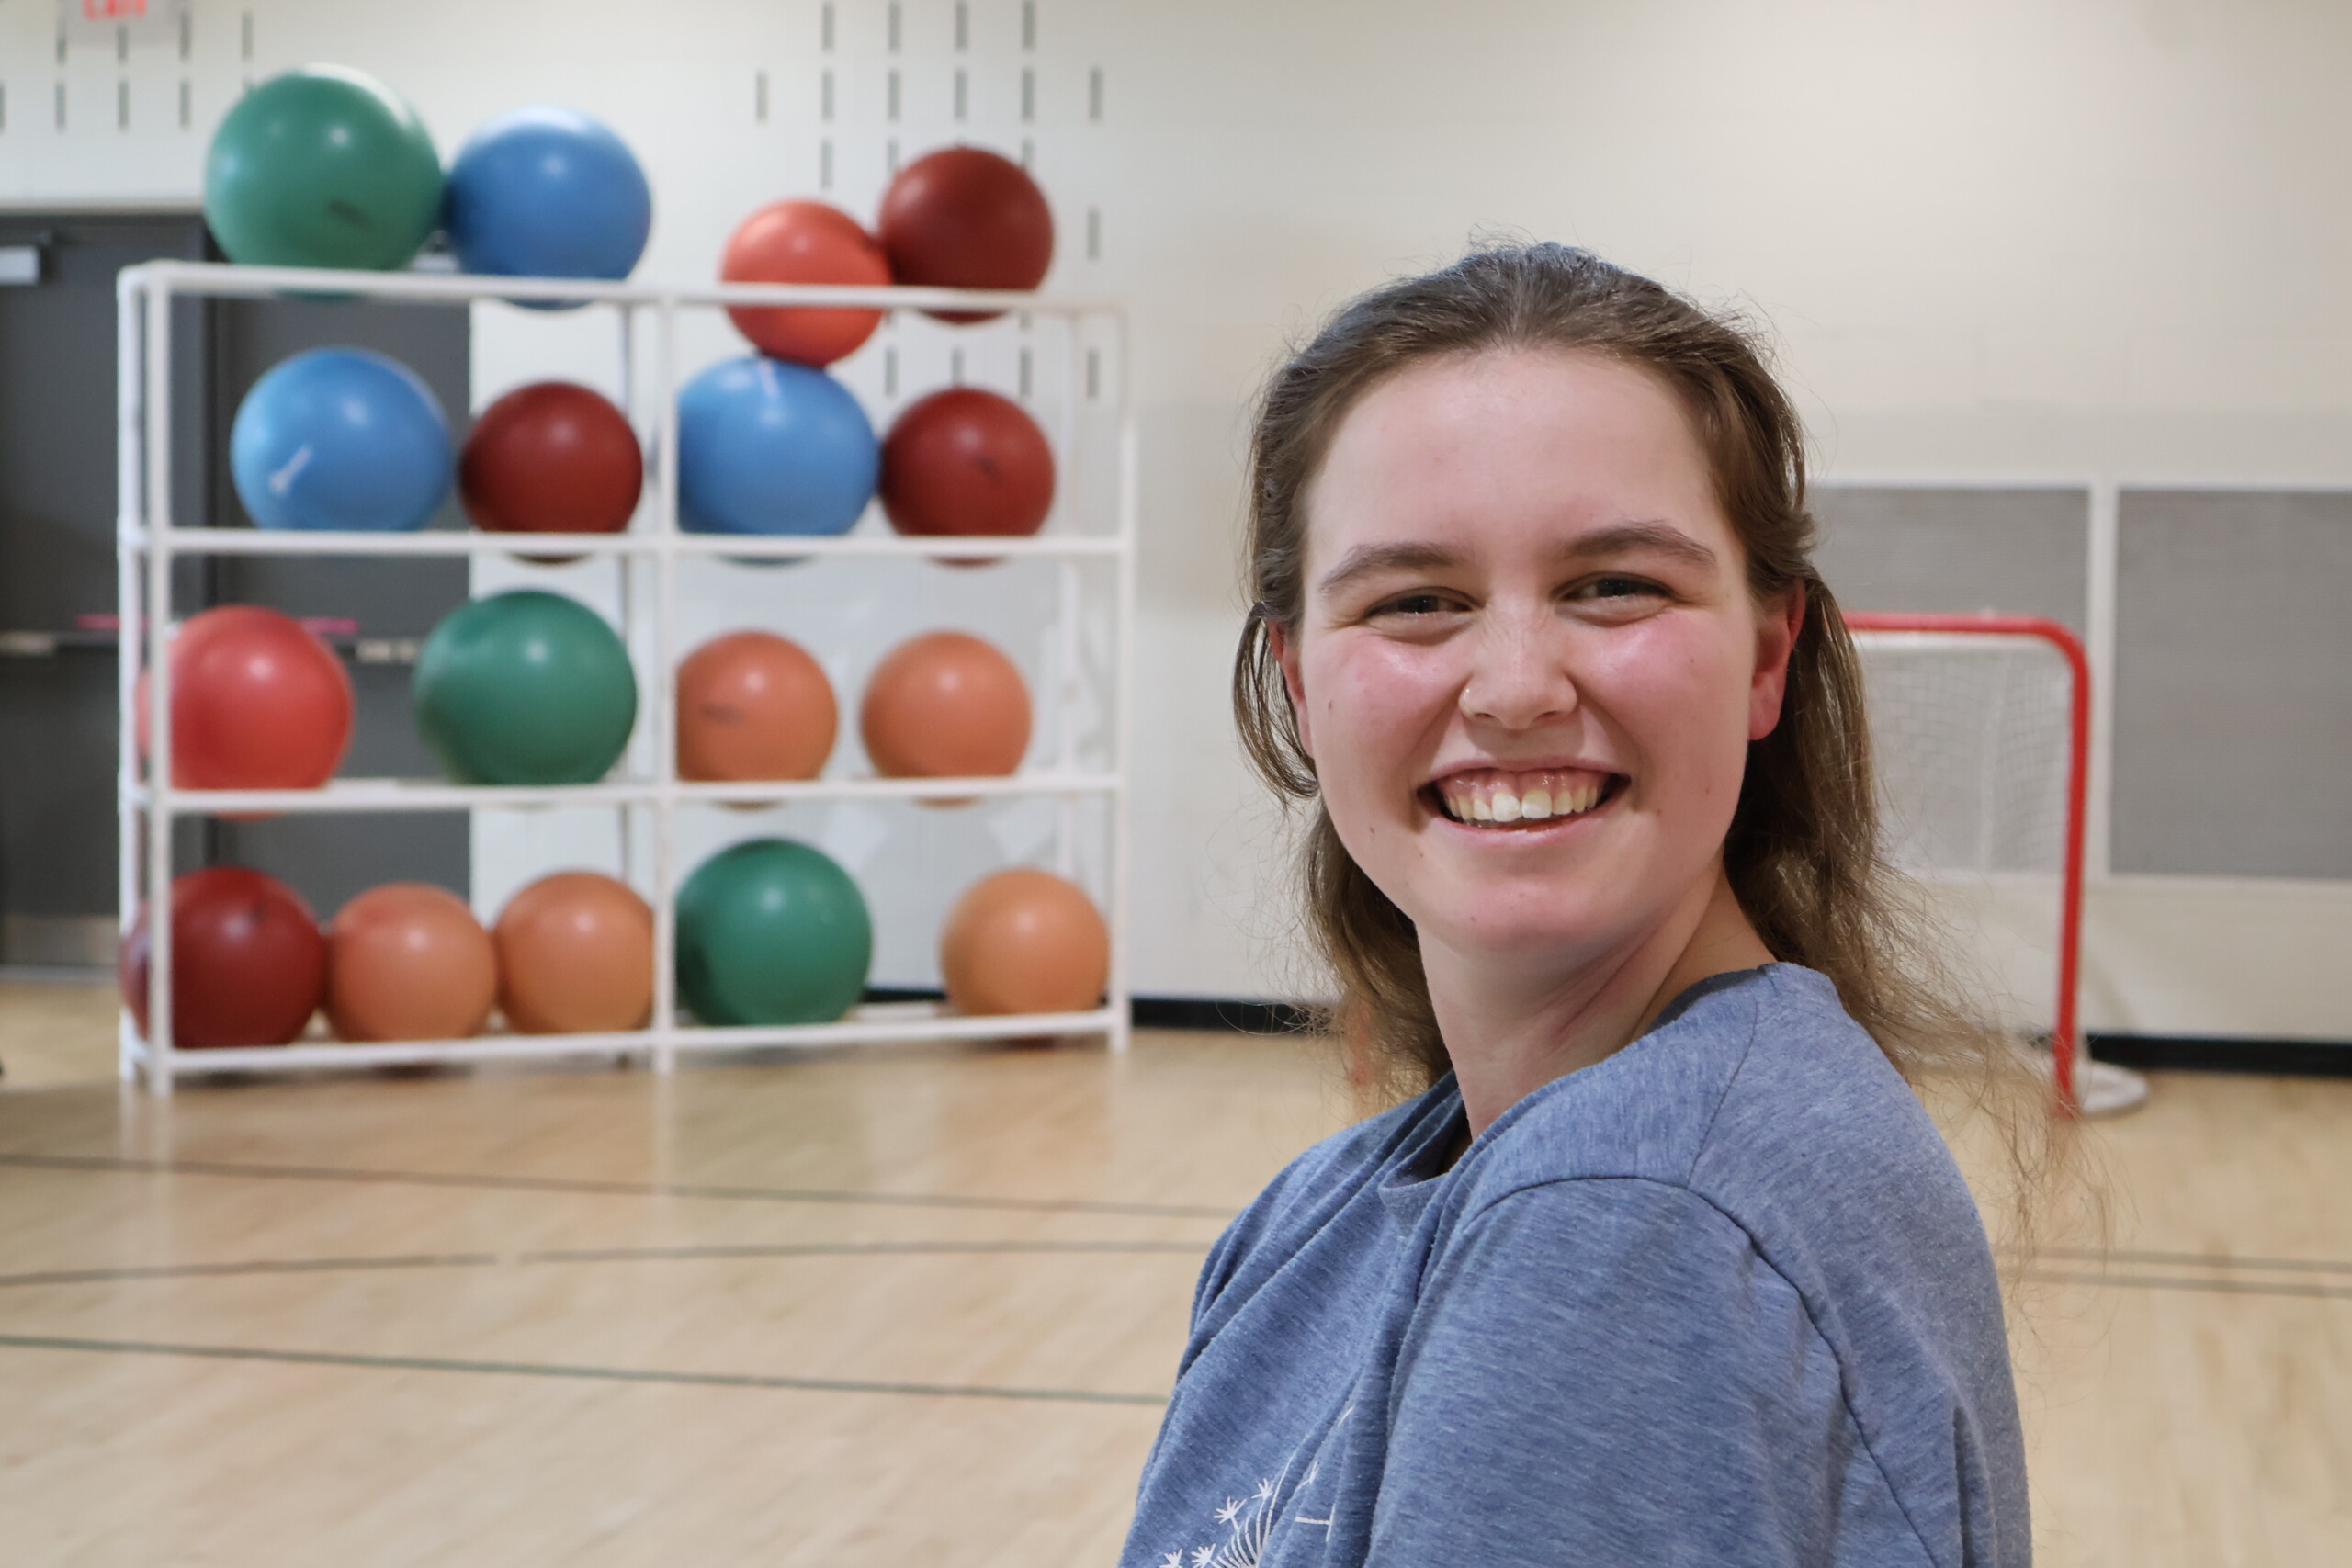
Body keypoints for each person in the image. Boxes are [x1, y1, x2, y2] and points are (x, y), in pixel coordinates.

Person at [1121, 244, 2030, 1568]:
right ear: (1300, 684)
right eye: (1416, 601)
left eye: (1614, 586)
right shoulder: (1317, 1217)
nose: (1513, 687)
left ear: (1769, 654)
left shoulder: (1636, 1218)